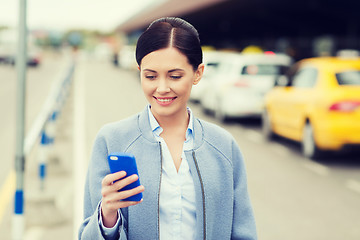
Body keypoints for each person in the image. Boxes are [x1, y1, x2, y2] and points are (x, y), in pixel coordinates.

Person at [78, 17, 257, 240]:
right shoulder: (111, 140)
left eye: (175, 76)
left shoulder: (223, 145)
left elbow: (243, 232)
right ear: (139, 71)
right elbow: (87, 234)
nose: (162, 88)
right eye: (150, 76)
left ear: (198, 73)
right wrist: (107, 216)